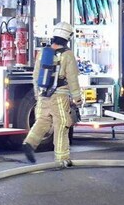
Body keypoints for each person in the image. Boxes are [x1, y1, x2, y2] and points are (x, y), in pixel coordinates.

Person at [21, 22, 82, 168]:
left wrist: (37, 94)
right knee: (62, 124)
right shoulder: (68, 55)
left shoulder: (43, 53)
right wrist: (77, 98)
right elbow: (72, 78)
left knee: (42, 121)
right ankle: (62, 159)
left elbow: (36, 75)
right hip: (59, 97)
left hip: (43, 95)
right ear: (68, 37)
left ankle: (29, 143)